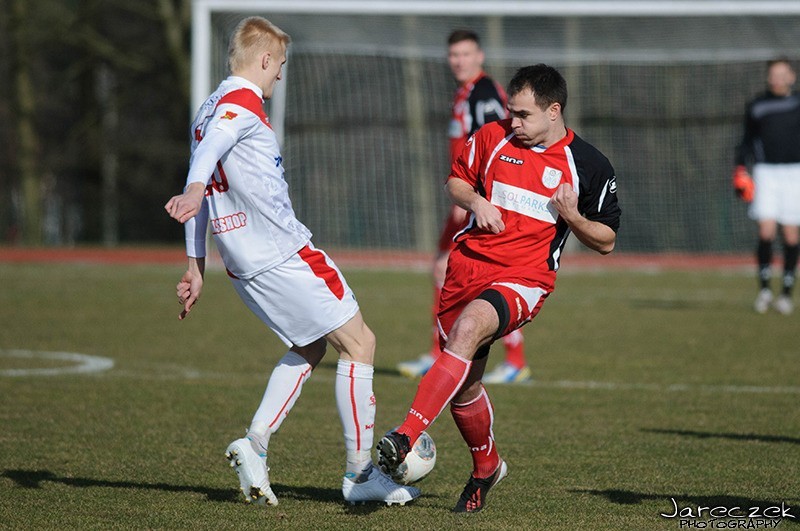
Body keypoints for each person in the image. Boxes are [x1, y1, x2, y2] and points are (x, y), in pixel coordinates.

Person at [164, 16, 419, 507]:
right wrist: (193, 190)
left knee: (309, 347)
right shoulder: (240, 103)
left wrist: (196, 263)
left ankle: (254, 445)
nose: (280, 75)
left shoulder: (207, 109)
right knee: (360, 342)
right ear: (264, 60)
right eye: (279, 64)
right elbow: (205, 171)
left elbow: (204, 169)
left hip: (242, 263)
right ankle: (361, 475)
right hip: (282, 253)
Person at [378, 64, 621, 513]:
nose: (514, 122)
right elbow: (455, 181)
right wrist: (476, 200)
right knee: (464, 387)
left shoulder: (588, 165)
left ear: (554, 111)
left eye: (524, 115)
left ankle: (405, 435)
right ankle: (486, 465)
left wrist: (572, 217)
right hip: (465, 269)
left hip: (524, 280)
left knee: (470, 328)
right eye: (512, 112)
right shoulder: (492, 138)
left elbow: (606, 240)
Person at [397, 29, 531, 384]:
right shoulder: (467, 92)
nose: (459, 61)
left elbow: (496, 145)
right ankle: (440, 352)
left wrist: (474, 196)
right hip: (467, 196)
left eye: (465, 54)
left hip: (476, 199)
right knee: (444, 270)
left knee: (480, 274)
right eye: (453, 54)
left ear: (480, 56)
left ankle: (503, 359)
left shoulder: (484, 93)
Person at [733, 57, 800, 315]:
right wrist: (740, 169)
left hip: (795, 172)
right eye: (774, 74)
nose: (778, 78)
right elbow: (746, 141)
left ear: (792, 77)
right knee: (766, 230)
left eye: (783, 74)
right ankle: (764, 290)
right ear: (768, 77)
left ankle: (785, 293)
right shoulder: (757, 106)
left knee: (791, 234)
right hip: (766, 173)